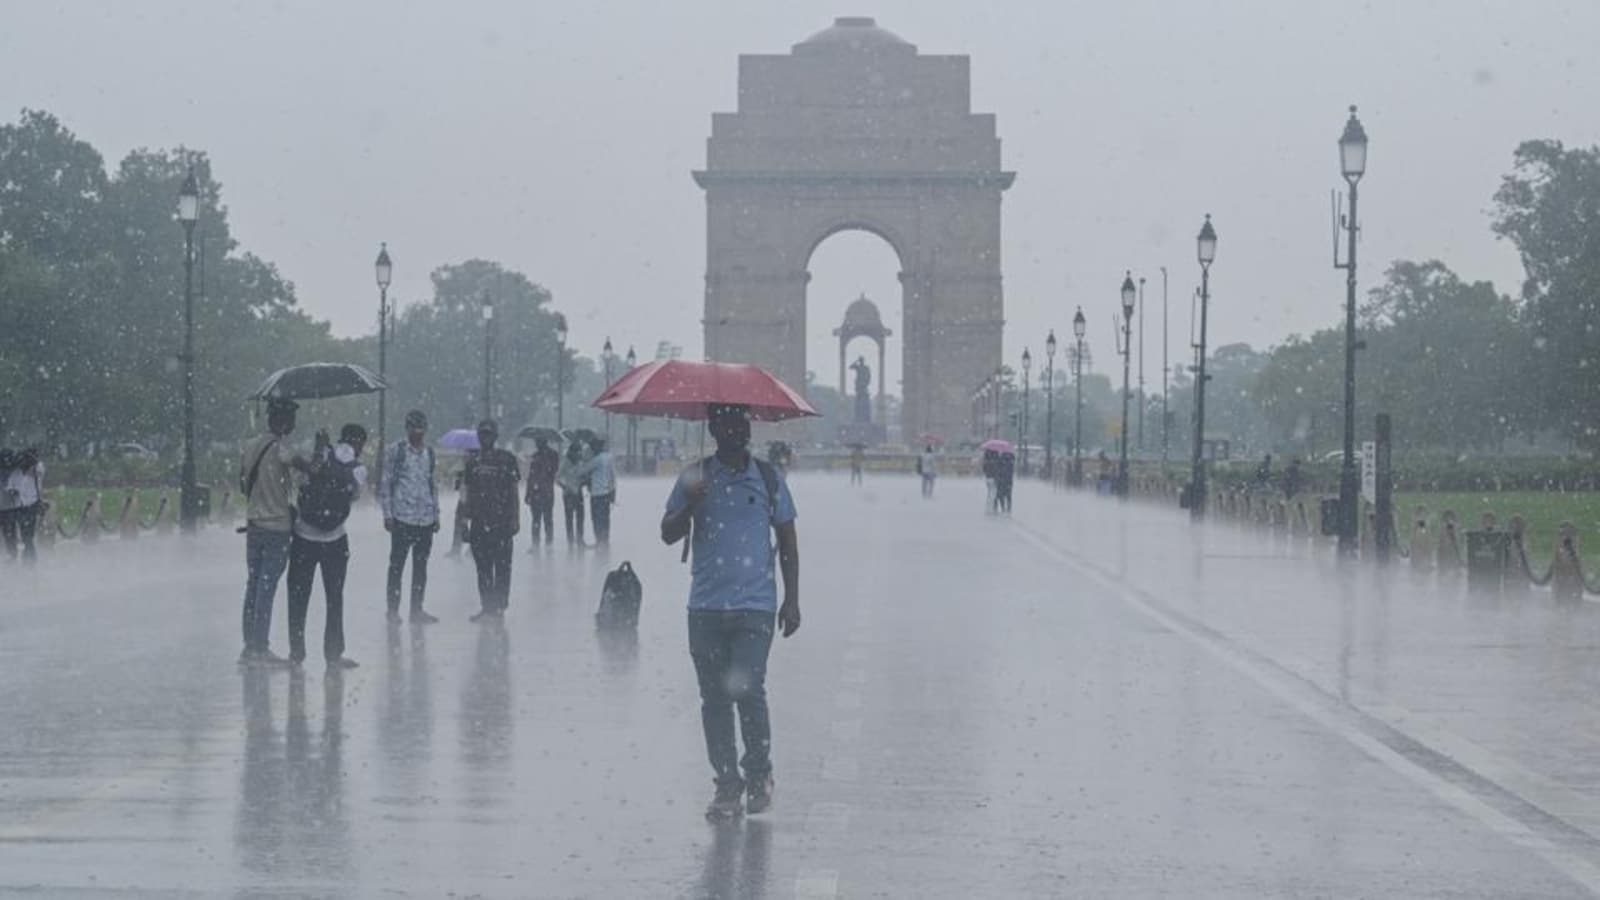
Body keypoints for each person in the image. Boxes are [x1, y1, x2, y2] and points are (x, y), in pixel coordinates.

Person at [661, 404, 800, 821]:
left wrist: (791, 600)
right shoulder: (693, 476)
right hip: (705, 605)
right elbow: (667, 534)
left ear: (748, 428)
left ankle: (758, 774)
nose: (735, 430)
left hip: (755, 605)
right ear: (714, 429)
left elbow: (789, 542)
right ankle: (726, 782)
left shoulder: (769, 478)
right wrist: (690, 501)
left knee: (747, 690)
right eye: (726, 423)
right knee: (714, 699)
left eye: (741, 423)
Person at [285, 424, 366, 669]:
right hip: (335, 540)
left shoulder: (318, 454)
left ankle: (296, 653)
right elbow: (354, 496)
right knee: (334, 598)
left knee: (298, 597)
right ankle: (333, 654)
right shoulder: (358, 468)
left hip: (303, 536)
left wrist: (320, 453)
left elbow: (300, 481)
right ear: (360, 444)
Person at [238, 399, 311, 667]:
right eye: (291, 420)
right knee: (267, 588)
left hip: (254, 525)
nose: (293, 425)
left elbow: (243, 482)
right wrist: (322, 449)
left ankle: (249, 646)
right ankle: (260, 648)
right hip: (277, 527)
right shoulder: (282, 449)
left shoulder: (249, 446)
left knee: (253, 584)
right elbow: (308, 469)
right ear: (283, 421)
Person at [379, 410, 441, 625]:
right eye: (414, 427)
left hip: (425, 519)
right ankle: (393, 610)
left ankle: (417, 609)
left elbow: (432, 485)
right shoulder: (396, 451)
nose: (418, 432)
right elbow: (385, 483)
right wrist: (387, 514)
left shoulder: (430, 454)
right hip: (401, 518)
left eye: (421, 428)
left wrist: (436, 515)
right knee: (397, 566)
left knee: (420, 567)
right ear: (407, 428)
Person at [462, 419, 520, 621]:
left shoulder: (507, 459)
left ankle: (500, 607)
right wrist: (464, 523)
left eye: (488, 434)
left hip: (502, 523)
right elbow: (467, 493)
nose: (484, 437)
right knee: (483, 568)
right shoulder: (472, 462)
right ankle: (487, 607)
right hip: (479, 523)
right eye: (482, 434)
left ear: (495, 436)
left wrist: (515, 518)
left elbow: (513, 491)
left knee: (503, 567)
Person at [1, 448, 45, 563]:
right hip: (19, 507)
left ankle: (29, 560)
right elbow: (10, 486)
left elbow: (40, 470)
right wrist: (12, 491)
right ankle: (24, 558)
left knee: (28, 536)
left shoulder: (36, 470)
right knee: (22, 535)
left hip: (32, 506)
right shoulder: (16, 474)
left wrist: (33, 465)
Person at [524, 436, 560, 552]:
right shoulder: (537, 456)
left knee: (544, 518)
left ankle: (546, 544)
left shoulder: (551, 456)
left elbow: (552, 471)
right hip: (539, 492)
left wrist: (530, 491)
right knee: (539, 519)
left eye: (538, 441)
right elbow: (531, 476)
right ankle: (537, 544)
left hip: (544, 491)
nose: (536, 444)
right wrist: (528, 492)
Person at [557, 440, 589, 549]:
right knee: (569, 518)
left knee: (580, 517)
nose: (579, 454)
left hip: (578, 492)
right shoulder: (565, 462)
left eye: (579, 452)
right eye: (577, 452)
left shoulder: (581, 462)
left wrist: (584, 481)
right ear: (572, 452)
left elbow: (583, 475)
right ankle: (570, 542)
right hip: (568, 493)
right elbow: (558, 478)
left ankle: (580, 540)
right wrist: (564, 486)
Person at [588, 438, 617, 547]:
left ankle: (599, 540)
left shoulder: (596, 460)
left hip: (597, 494)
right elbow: (613, 477)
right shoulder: (609, 458)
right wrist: (613, 492)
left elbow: (583, 470)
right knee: (605, 519)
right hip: (606, 493)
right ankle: (605, 540)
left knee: (596, 519)